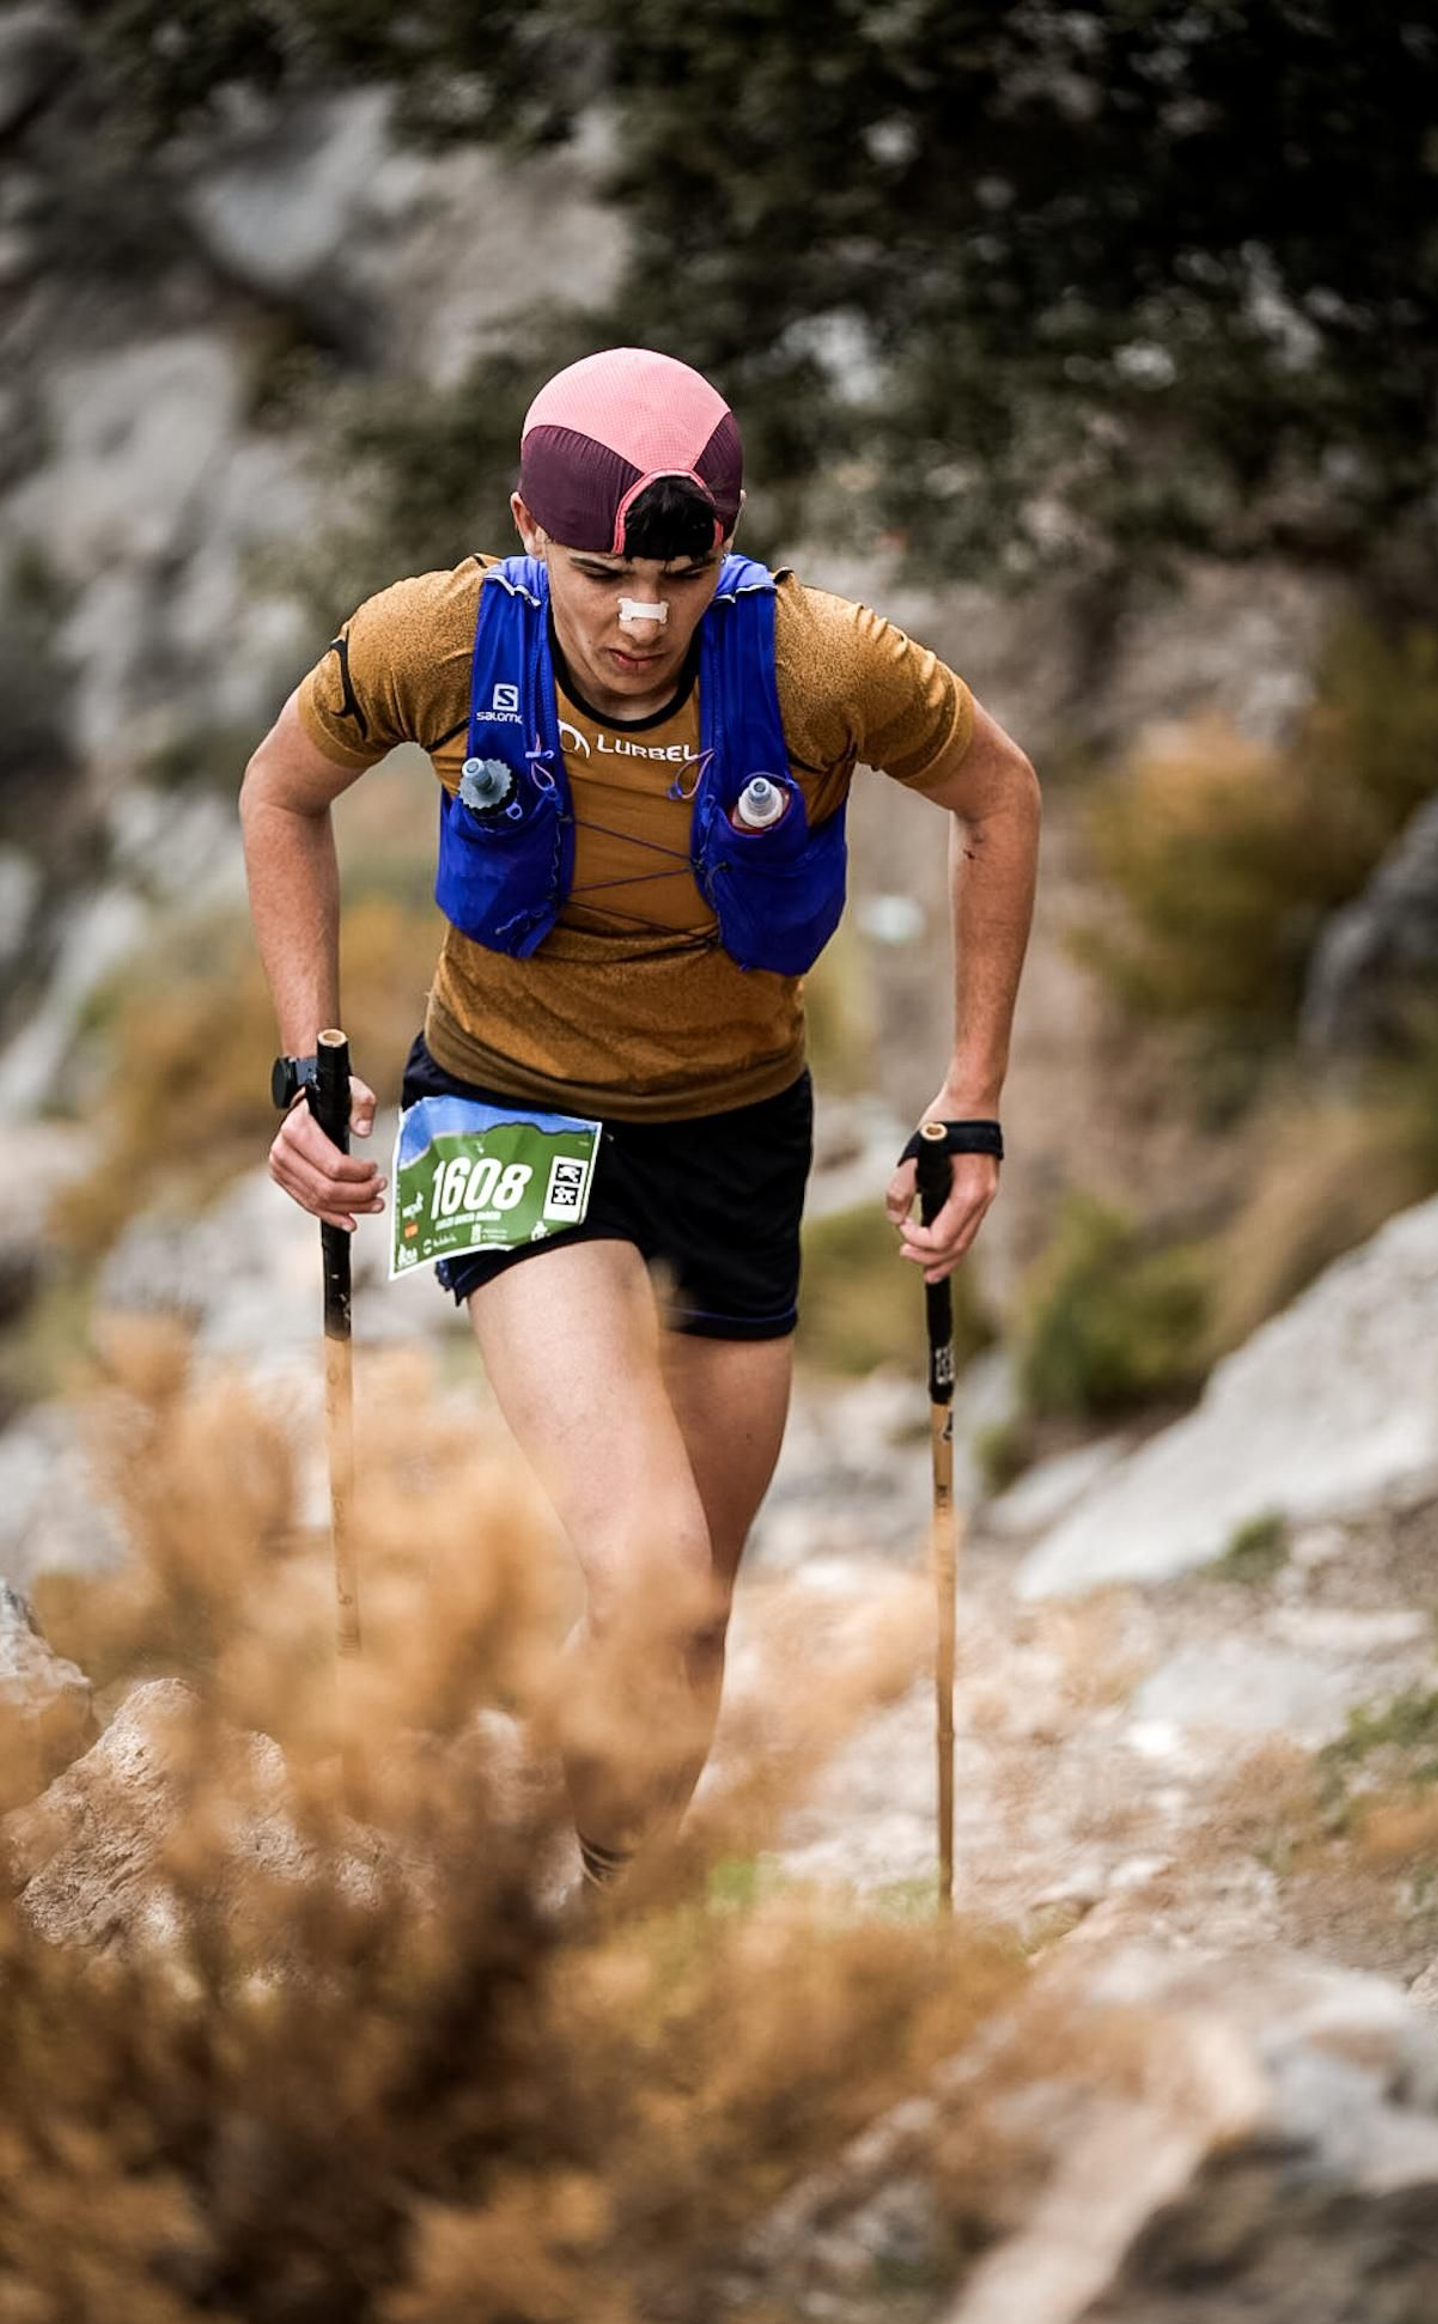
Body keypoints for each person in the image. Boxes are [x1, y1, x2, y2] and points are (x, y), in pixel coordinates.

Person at [240, 347, 1039, 1891]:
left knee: (684, 1610)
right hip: (506, 1110)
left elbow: (1000, 797)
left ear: (725, 547)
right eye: (600, 569)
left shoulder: (822, 666)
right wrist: (308, 1053)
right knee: (658, 1569)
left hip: (735, 1132)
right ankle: (574, 1970)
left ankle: (613, 1913)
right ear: (527, 530)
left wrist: (975, 1092)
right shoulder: (432, 639)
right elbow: (283, 791)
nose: (638, 614)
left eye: (681, 573)